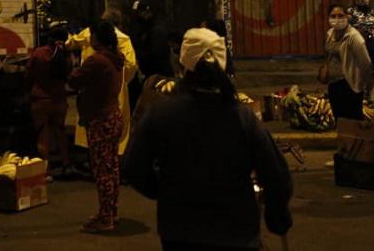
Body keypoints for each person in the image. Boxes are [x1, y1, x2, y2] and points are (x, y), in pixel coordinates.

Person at [125, 27, 292, 251]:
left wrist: (163, 190)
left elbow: (133, 166)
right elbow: (275, 174)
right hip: (236, 232)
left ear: (183, 63)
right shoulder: (242, 117)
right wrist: (277, 214)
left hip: (180, 232)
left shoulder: (161, 113)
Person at [68, 21, 125, 234]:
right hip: (113, 116)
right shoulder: (115, 58)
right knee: (112, 167)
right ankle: (110, 212)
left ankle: (106, 218)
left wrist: (72, 65)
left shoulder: (97, 61)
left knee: (102, 170)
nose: (90, 40)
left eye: (92, 36)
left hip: (100, 119)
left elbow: (74, 80)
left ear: (98, 39)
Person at [67, 9, 138, 155]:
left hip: (90, 91)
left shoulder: (91, 45)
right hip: (114, 90)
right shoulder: (122, 40)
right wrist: (123, 80)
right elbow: (131, 65)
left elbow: (71, 43)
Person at [26, 25, 73, 176]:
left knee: (42, 134)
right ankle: (66, 163)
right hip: (59, 99)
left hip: (40, 99)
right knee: (60, 131)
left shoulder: (39, 54)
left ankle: (46, 171)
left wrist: (26, 91)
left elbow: (28, 75)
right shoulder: (66, 57)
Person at [321, 4, 372, 120]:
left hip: (349, 85)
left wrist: (363, 85)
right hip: (333, 84)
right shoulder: (330, 34)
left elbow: (366, 63)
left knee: (352, 121)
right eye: (333, 16)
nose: (337, 19)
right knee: (339, 120)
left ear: (347, 17)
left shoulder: (354, 37)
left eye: (340, 15)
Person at [348, 0, 374, 107]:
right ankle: (357, 99)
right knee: (357, 74)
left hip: (372, 48)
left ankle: (370, 99)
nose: (363, 0)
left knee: (371, 74)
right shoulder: (349, 13)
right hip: (356, 48)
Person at [131, 0, 173, 78]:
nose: (138, 16)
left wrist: (138, 55)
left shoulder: (157, 29)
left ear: (147, 12)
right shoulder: (143, 30)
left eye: (140, 12)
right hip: (150, 74)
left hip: (160, 74)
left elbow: (156, 54)